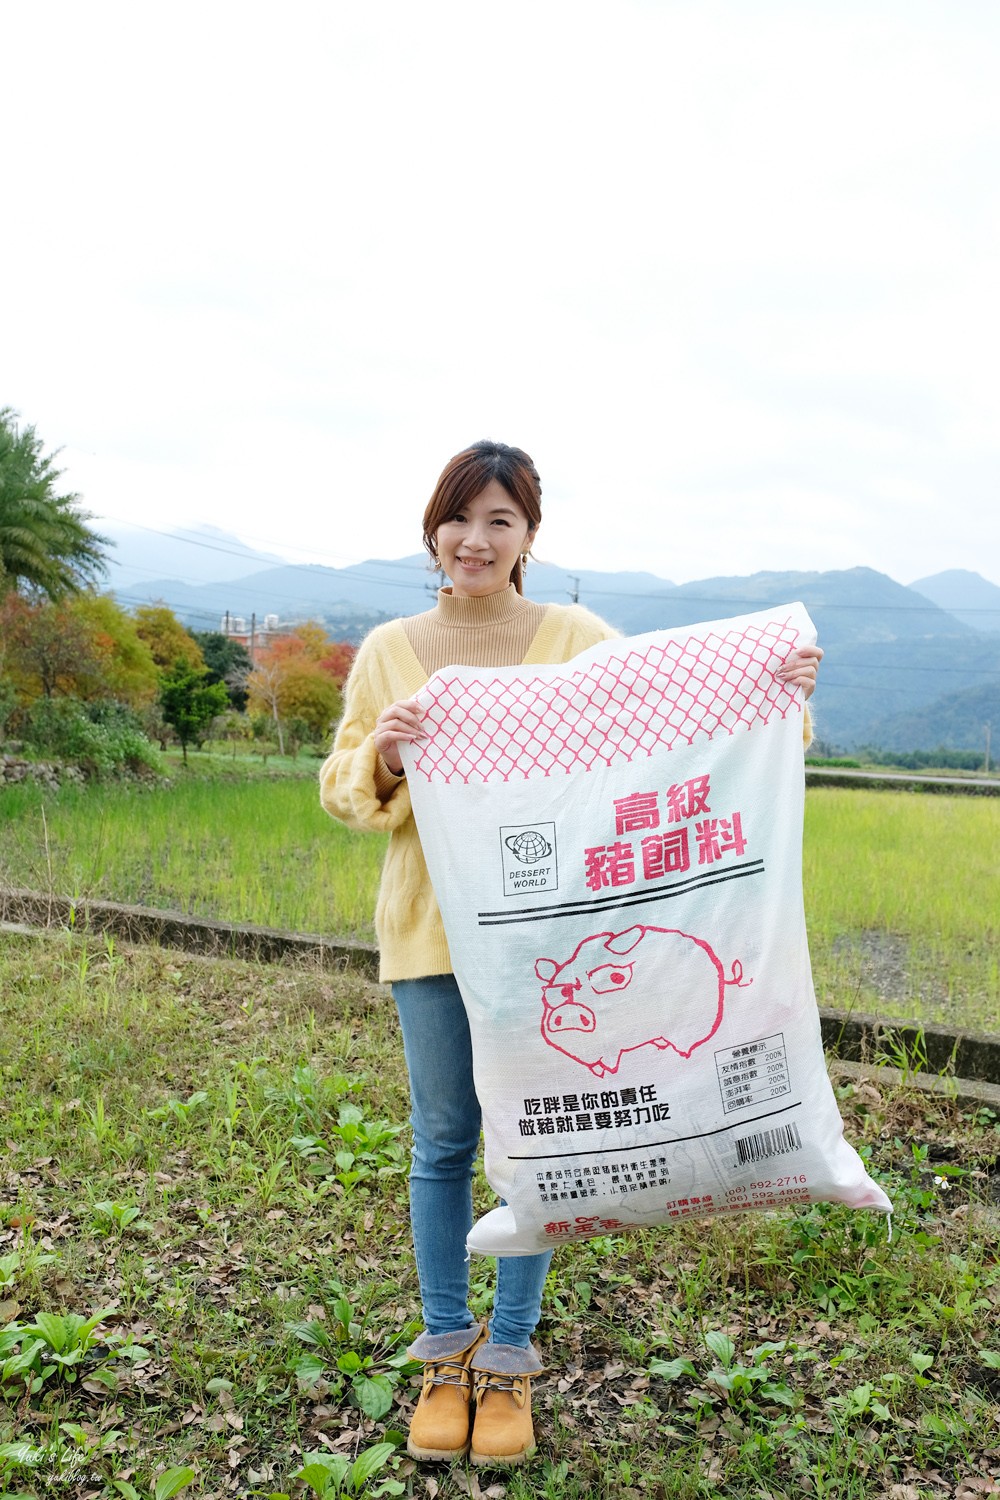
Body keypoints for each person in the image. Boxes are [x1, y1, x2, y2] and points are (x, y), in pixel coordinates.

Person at [319, 440, 821, 1467]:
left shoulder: (576, 637)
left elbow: (678, 731)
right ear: (434, 530)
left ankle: (508, 1359)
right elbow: (341, 785)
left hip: (560, 947)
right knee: (445, 1140)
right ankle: (444, 1353)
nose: (476, 538)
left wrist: (780, 690)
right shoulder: (390, 649)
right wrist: (383, 752)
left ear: (528, 538)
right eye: (460, 518)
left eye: (500, 520)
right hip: (431, 936)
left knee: (541, 1143)